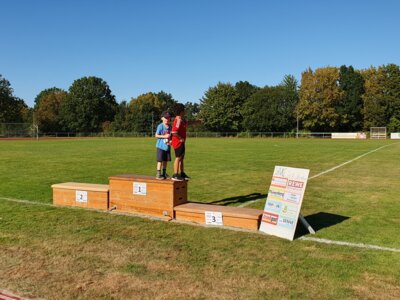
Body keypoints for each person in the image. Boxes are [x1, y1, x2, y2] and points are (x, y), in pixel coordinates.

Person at [171, 103, 190, 181]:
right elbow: (174, 132)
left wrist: (198, 122)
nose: (185, 111)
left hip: (181, 142)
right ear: (181, 111)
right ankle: (175, 174)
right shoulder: (178, 120)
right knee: (178, 157)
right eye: (184, 110)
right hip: (178, 142)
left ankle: (182, 173)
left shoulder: (181, 120)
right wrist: (180, 138)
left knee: (181, 158)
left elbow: (188, 123)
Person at [155, 111, 172, 180]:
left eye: (168, 118)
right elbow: (156, 135)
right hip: (160, 146)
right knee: (160, 160)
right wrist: (164, 136)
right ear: (162, 118)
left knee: (165, 160)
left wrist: (171, 141)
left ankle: (164, 173)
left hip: (167, 146)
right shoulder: (160, 126)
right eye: (165, 118)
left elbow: (171, 136)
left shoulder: (170, 127)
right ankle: (158, 174)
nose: (167, 119)